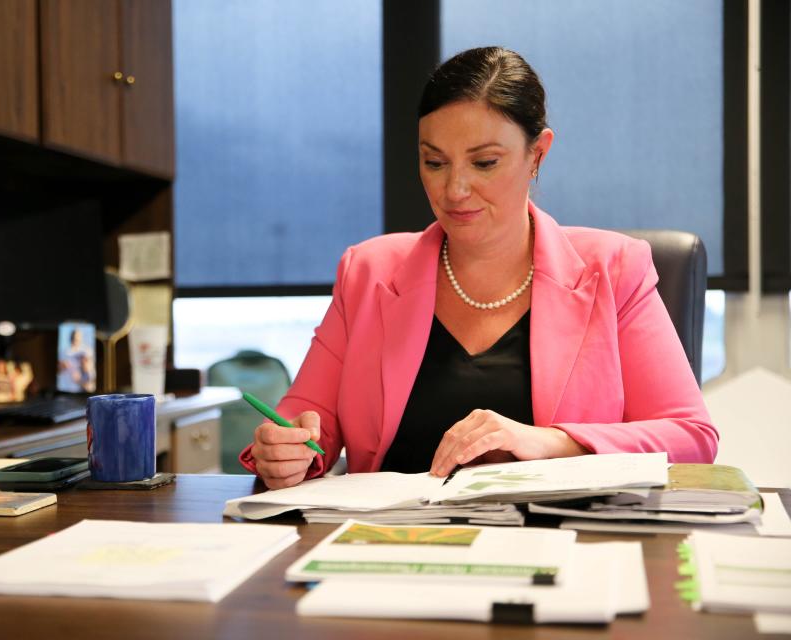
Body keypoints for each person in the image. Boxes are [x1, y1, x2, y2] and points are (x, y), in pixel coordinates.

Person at [240, 46, 718, 489]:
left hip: (561, 549)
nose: (455, 190)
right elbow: (306, 421)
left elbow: (691, 438)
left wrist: (552, 442)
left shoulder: (613, 270)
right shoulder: (367, 271)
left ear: (538, 154)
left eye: (485, 162)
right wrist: (289, 452)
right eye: (434, 162)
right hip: (390, 546)